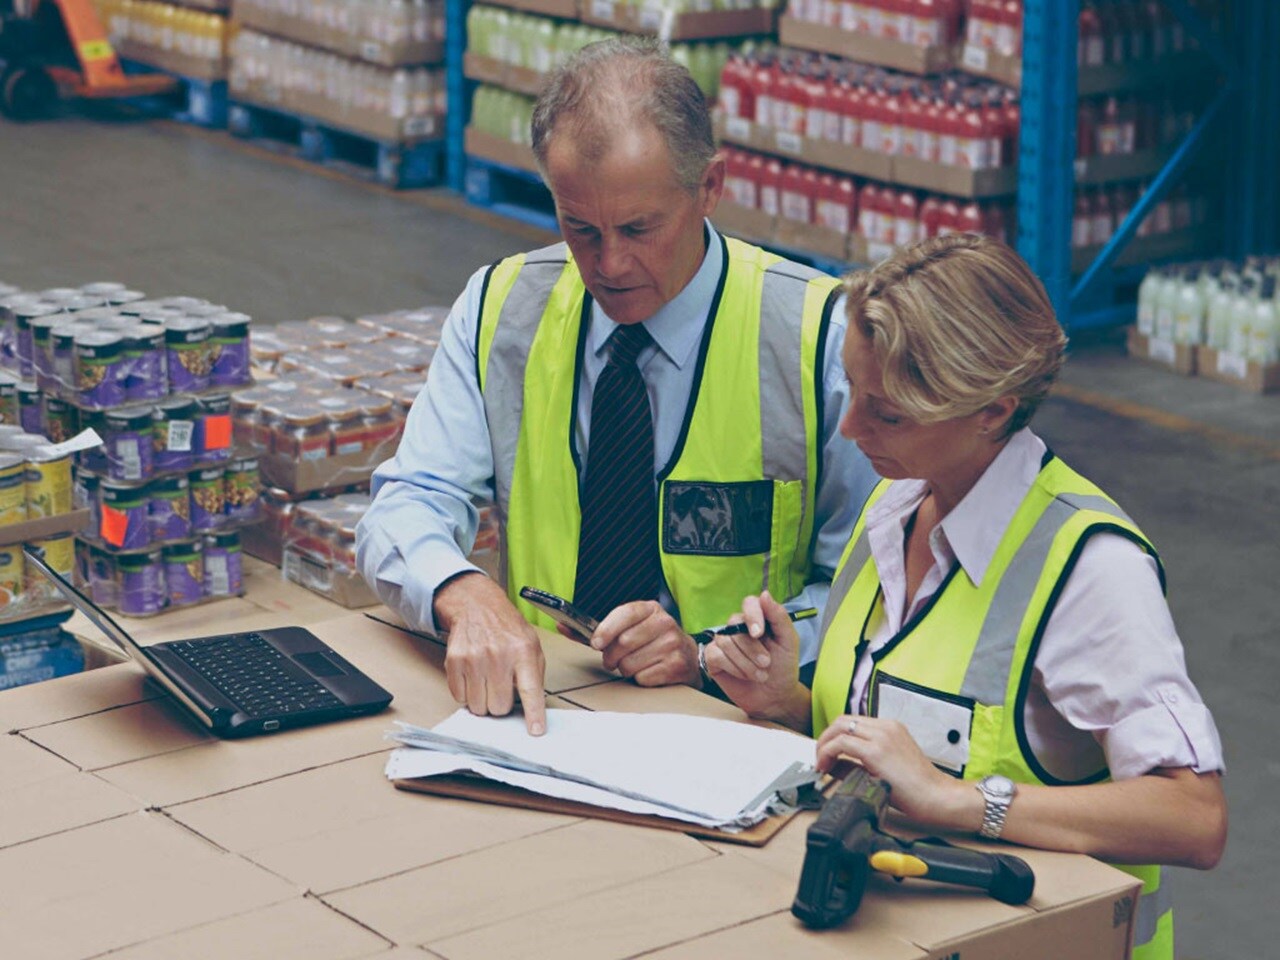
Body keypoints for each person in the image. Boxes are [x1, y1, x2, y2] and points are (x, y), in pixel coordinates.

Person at [705, 234, 1226, 960]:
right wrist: (787, 701)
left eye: (886, 413)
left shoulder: (1089, 568)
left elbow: (1194, 818)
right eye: (852, 393)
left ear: (991, 410)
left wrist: (963, 804)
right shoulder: (895, 507)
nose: (851, 429)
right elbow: (899, 745)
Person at [356, 37, 878, 736]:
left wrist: (712, 653)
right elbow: (409, 499)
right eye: (579, 227)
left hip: (734, 727)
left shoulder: (820, 339)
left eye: (639, 228)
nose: (610, 263)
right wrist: (462, 591)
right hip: (543, 714)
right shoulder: (504, 308)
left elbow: (867, 589)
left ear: (710, 187)